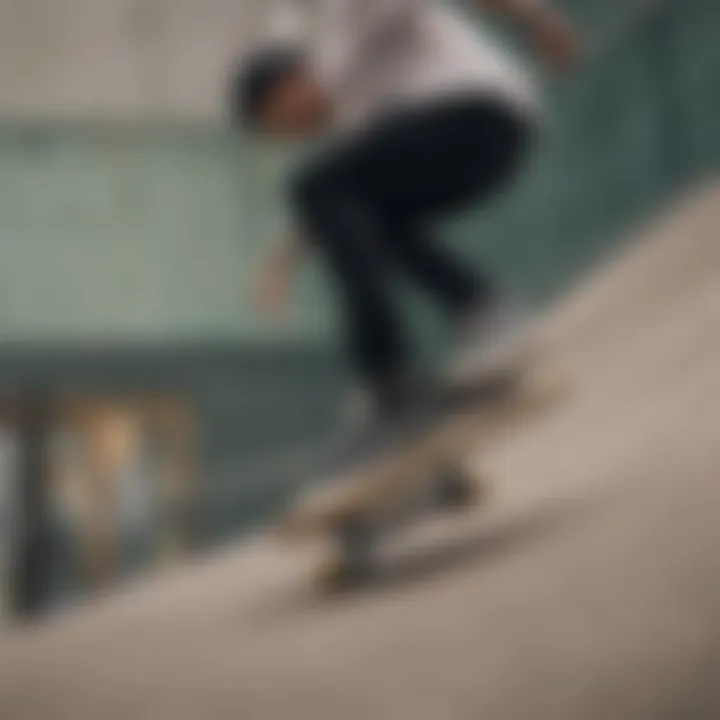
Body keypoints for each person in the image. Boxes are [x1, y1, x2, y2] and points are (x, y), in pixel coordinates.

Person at [230, 0, 580, 431]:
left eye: (280, 124)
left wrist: (535, 17)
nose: (293, 136)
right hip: (487, 142)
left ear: (285, 88)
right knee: (366, 215)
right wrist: (282, 263)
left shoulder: (350, 24)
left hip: (477, 113)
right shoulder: (355, 117)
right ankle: (487, 314)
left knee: (318, 187)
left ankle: (388, 378)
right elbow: (333, 212)